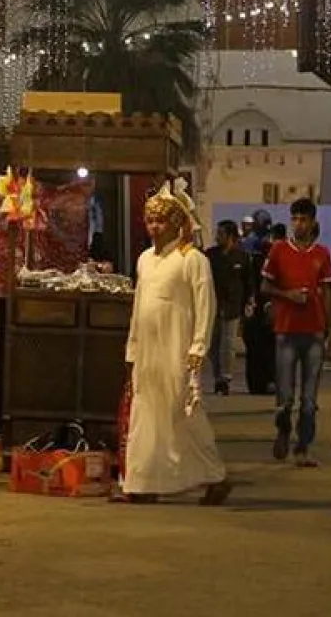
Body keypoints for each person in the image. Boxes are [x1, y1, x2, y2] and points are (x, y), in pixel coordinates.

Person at [115, 193, 232, 505]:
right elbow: (139, 308)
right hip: (147, 353)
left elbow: (205, 307)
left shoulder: (193, 260)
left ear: (177, 223)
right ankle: (143, 483)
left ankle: (215, 476)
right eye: (150, 220)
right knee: (146, 415)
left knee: (184, 414)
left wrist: (198, 347)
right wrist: (132, 350)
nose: (154, 227)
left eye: (161, 220)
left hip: (178, 350)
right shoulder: (144, 260)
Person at [262, 197, 331, 466]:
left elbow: (329, 292)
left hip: (314, 331)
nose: (299, 224)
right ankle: (283, 429)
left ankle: (303, 446)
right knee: (285, 395)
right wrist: (288, 295)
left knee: (309, 398)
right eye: (294, 218)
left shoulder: (322, 255)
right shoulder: (279, 251)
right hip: (286, 330)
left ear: (313, 222)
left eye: (304, 219)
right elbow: (265, 287)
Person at [205, 220, 252, 395]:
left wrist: (249, 301)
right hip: (213, 305)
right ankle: (217, 376)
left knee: (228, 343)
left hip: (233, 306)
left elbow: (248, 281)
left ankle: (225, 378)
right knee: (213, 345)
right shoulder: (210, 256)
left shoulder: (242, 257)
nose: (217, 237)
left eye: (221, 234)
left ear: (231, 236)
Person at [240, 213, 277, 396]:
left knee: (267, 345)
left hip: (265, 303)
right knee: (257, 345)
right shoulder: (249, 248)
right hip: (256, 303)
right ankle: (258, 382)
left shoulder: (270, 249)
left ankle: (266, 381)